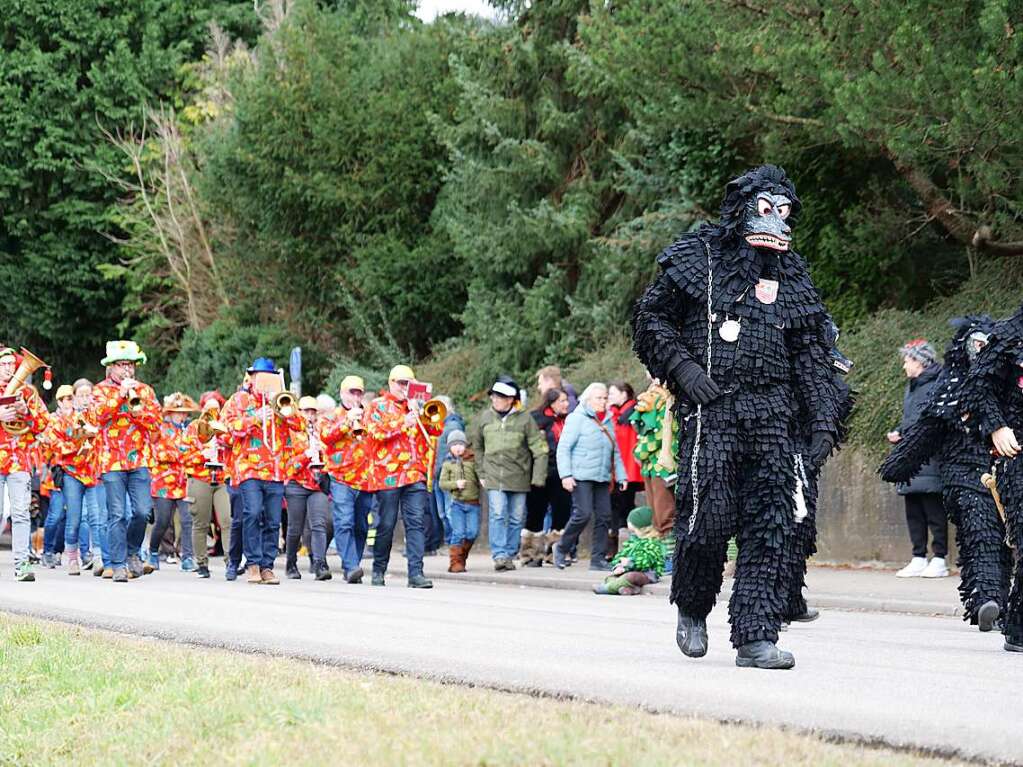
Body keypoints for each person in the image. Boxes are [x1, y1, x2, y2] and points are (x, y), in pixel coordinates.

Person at [633, 165, 843, 669]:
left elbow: (812, 352)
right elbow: (650, 318)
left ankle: (756, 635)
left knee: (773, 524)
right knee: (709, 517)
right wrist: (684, 369)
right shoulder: (699, 257)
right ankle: (692, 604)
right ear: (743, 209)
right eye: (766, 209)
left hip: (775, 413)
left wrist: (821, 422)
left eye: (784, 211)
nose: (776, 221)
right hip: (713, 409)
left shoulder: (793, 275)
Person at [882, 317, 1010, 631]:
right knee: (980, 532)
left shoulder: (1005, 386)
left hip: (1001, 470)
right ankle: (987, 599)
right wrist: (900, 464)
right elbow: (928, 428)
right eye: (975, 345)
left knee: (1002, 538)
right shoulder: (951, 385)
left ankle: (999, 600)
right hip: (962, 473)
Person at [960, 301, 1023, 652]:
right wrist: (996, 426)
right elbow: (976, 388)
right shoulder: (1008, 336)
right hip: (1017, 452)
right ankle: (1018, 629)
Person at [221, 358, 302, 585]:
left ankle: (267, 566)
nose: (263, 381)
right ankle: (253, 564)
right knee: (253, 513)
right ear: (253, 377)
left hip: (276, 468)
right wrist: (254, 419)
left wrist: (289, 414)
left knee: (274, 521)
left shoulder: (281, 400)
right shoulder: (239, 399)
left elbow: (301, 426)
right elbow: (227, 428)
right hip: (249, 467)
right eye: (259, 376)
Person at [87, 341, 162, 583]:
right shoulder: (99, 390)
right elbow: (96, 418)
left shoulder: (146, 391)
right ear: (110, 368)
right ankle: (118, 564)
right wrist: (119, 397)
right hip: (111, 461)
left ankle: (132, 552)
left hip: (140, 459)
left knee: (141, 512)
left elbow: (156, 424)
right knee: (117, 514)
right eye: (121, 365)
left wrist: (139, 413)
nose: (126, 370)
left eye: (129, 365)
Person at [365, 365, 442, 588]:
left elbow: (435, 431)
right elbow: (374, 432)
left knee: (416, 523)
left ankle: (416, 573)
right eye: (401, 383)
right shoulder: (378, 405)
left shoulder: (416, 406)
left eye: (408, 383)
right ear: (391, 383)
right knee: (386, 523)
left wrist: (424, 414)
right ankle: (379, 569)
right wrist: (402, 422)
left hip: (414, 473)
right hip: (387, 475)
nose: (404, 387)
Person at [469, 375, 548, 572]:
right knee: (497, 513)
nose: (494, 399)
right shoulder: (484, 418)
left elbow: (539, 449)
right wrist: (481, 472)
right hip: (493, 476)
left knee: (516, 517)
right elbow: (476, 447)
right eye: (493, 396)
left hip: (519, 477)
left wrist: (538, 477)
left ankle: (510, 554)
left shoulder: (525, 419)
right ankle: (500, 555)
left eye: (499, 396)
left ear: (510, 399)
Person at [886, 339, 948, 578]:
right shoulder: (912, 386)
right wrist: (899, 432)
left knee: (934, 510)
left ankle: (940, 559)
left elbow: (932, 422)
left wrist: (908, 436)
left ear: (918, 361)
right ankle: (919, 557)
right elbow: (910, 419)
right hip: (911, 458)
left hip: (929, 457)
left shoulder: (936, 384)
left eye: (906, 360)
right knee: (914, 511)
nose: (904, 365)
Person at [553, 383, 627, 571]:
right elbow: (563, 448)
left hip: (601, 476)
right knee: (582, 514)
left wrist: (621, 476)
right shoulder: (577, 418)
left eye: (604, 398)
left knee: (604, 516)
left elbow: (615, 451)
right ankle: (561, 548)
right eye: (598, 398)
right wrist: (566, 475)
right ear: (588, 400)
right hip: (581, 475)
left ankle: (597, 559)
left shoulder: (608, 419)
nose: (603, 401)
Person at [320, 375, 376, 584]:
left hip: (366, 479)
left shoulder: (370, 415)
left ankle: (351, 564)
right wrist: (347, 420)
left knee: (361, 526)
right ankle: (352, 566)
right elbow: (325, 435)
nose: (355, 396)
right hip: (341, 477)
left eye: (358, 392)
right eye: (351, 392)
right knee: (344, 522)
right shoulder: (332, 415)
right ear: (342, 393)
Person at [0, 346, 49, 582]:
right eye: (4, 364)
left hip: (18, 459)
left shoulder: (27, 392)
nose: (10, 368)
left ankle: (22, 564)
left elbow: (44, 424)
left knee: (21, 513)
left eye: (12, 364)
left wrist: (26, 411)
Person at [145, 392, 198, 573]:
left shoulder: (189, 429)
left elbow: (194, 451)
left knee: (187, 519)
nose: (182, 416)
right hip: (163, 483)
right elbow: (156, 452)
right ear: (169, 413)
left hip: (184, 480)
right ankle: (153, 551)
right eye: (178, 412)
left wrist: (190, 457)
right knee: (162, 521)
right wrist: (180, 455)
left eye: (184, 412)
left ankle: (188, 557)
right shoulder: (159, 428)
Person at [284, 396, 332, 581]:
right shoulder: (290, 432)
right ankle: (291, 563)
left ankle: (320, 564)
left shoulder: (321, 431)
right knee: (295, 527)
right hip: (296, 484)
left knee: (319, 524)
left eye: (313, 412)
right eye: (306, 411)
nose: (310, 415)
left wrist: (323, 453)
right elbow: (288, 466)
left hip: (317, 484)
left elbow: (331, 458)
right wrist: (306, 455)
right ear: (298, 412)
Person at [523, 387, 572, 567]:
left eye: (567, 400)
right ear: (552, 403)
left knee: (561, 514)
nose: (566, 404)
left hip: (561, 473)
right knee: (536, 513)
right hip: (540, 473)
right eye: (562, 401)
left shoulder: (569, 420)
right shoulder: (537, 419)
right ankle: (530, 554)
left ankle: (554, 553)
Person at [185, 390, 231, 579]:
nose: (213, 411)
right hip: (200, 477)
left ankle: (231, 561)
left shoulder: (225, 426)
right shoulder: (192, 428)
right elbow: (183, 455)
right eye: (209, 407)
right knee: (200, 522)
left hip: (221, 478)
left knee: (228, 520)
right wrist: (202, 455)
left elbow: (233, 446)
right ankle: (201, 563)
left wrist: (222, 437)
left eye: (216, 407)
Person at [628, 378, 678, 538]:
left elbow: (660, 435)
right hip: (649, 467)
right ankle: (657, 543)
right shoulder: (651, 406)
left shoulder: (667, 406)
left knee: (664, 510)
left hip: (662, 467)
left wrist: (639, 452)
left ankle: (668, 551)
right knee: (654, 510)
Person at [593, 506, 667, 595]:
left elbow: (646, 561)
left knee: (631, 576)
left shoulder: (653, 543)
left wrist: (629, 562)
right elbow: (622, 554)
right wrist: (619, 565)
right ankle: (630, 589)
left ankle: (608, 588)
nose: (632, 533)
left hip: (647, 574)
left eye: (634, 530)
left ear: (642, 529)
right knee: (612, 576)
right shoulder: (633, 540)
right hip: (628, 571)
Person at [607, 381, 643, 560]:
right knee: (616, 505)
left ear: (624, 394)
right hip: (617, 467)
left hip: (629, 467)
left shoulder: (634, 411)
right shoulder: (613, 413)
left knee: (623, 505)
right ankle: (616, 544)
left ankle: (622, 545)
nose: (610, 396)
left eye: (613, 393)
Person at [438, 430, 480, 573]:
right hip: (456, 504)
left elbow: (480, 473)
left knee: (472, 533)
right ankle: (455, 563)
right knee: (458, 533)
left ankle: (462, 557)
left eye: (461, 444)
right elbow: (442, 483)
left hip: (473, 504)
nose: (458, 448)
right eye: (454, 445)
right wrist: (455, 484)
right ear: (449, 447)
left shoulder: (472, 460)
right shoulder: (447, 463)